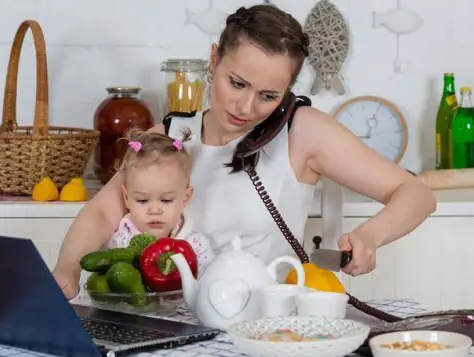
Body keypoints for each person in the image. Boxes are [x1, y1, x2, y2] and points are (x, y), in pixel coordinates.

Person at [53, 4, 436, 300]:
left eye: (268, 96)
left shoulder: (302, 131)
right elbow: (104, 209)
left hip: (266, 325)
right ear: (214, 60)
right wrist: (67, 270)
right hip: (175, 321)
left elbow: (416, 194)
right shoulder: (171, 135)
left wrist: (372, 235)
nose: (246, 107)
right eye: (236, 83)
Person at [76, 129, 214, 299]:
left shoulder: (197, 246)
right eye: (142, 200)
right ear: (126, 198)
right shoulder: (118, 242)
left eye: (166, 200)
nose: (154, 210)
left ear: (186, 197)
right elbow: (97, 285)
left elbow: (208, 289)